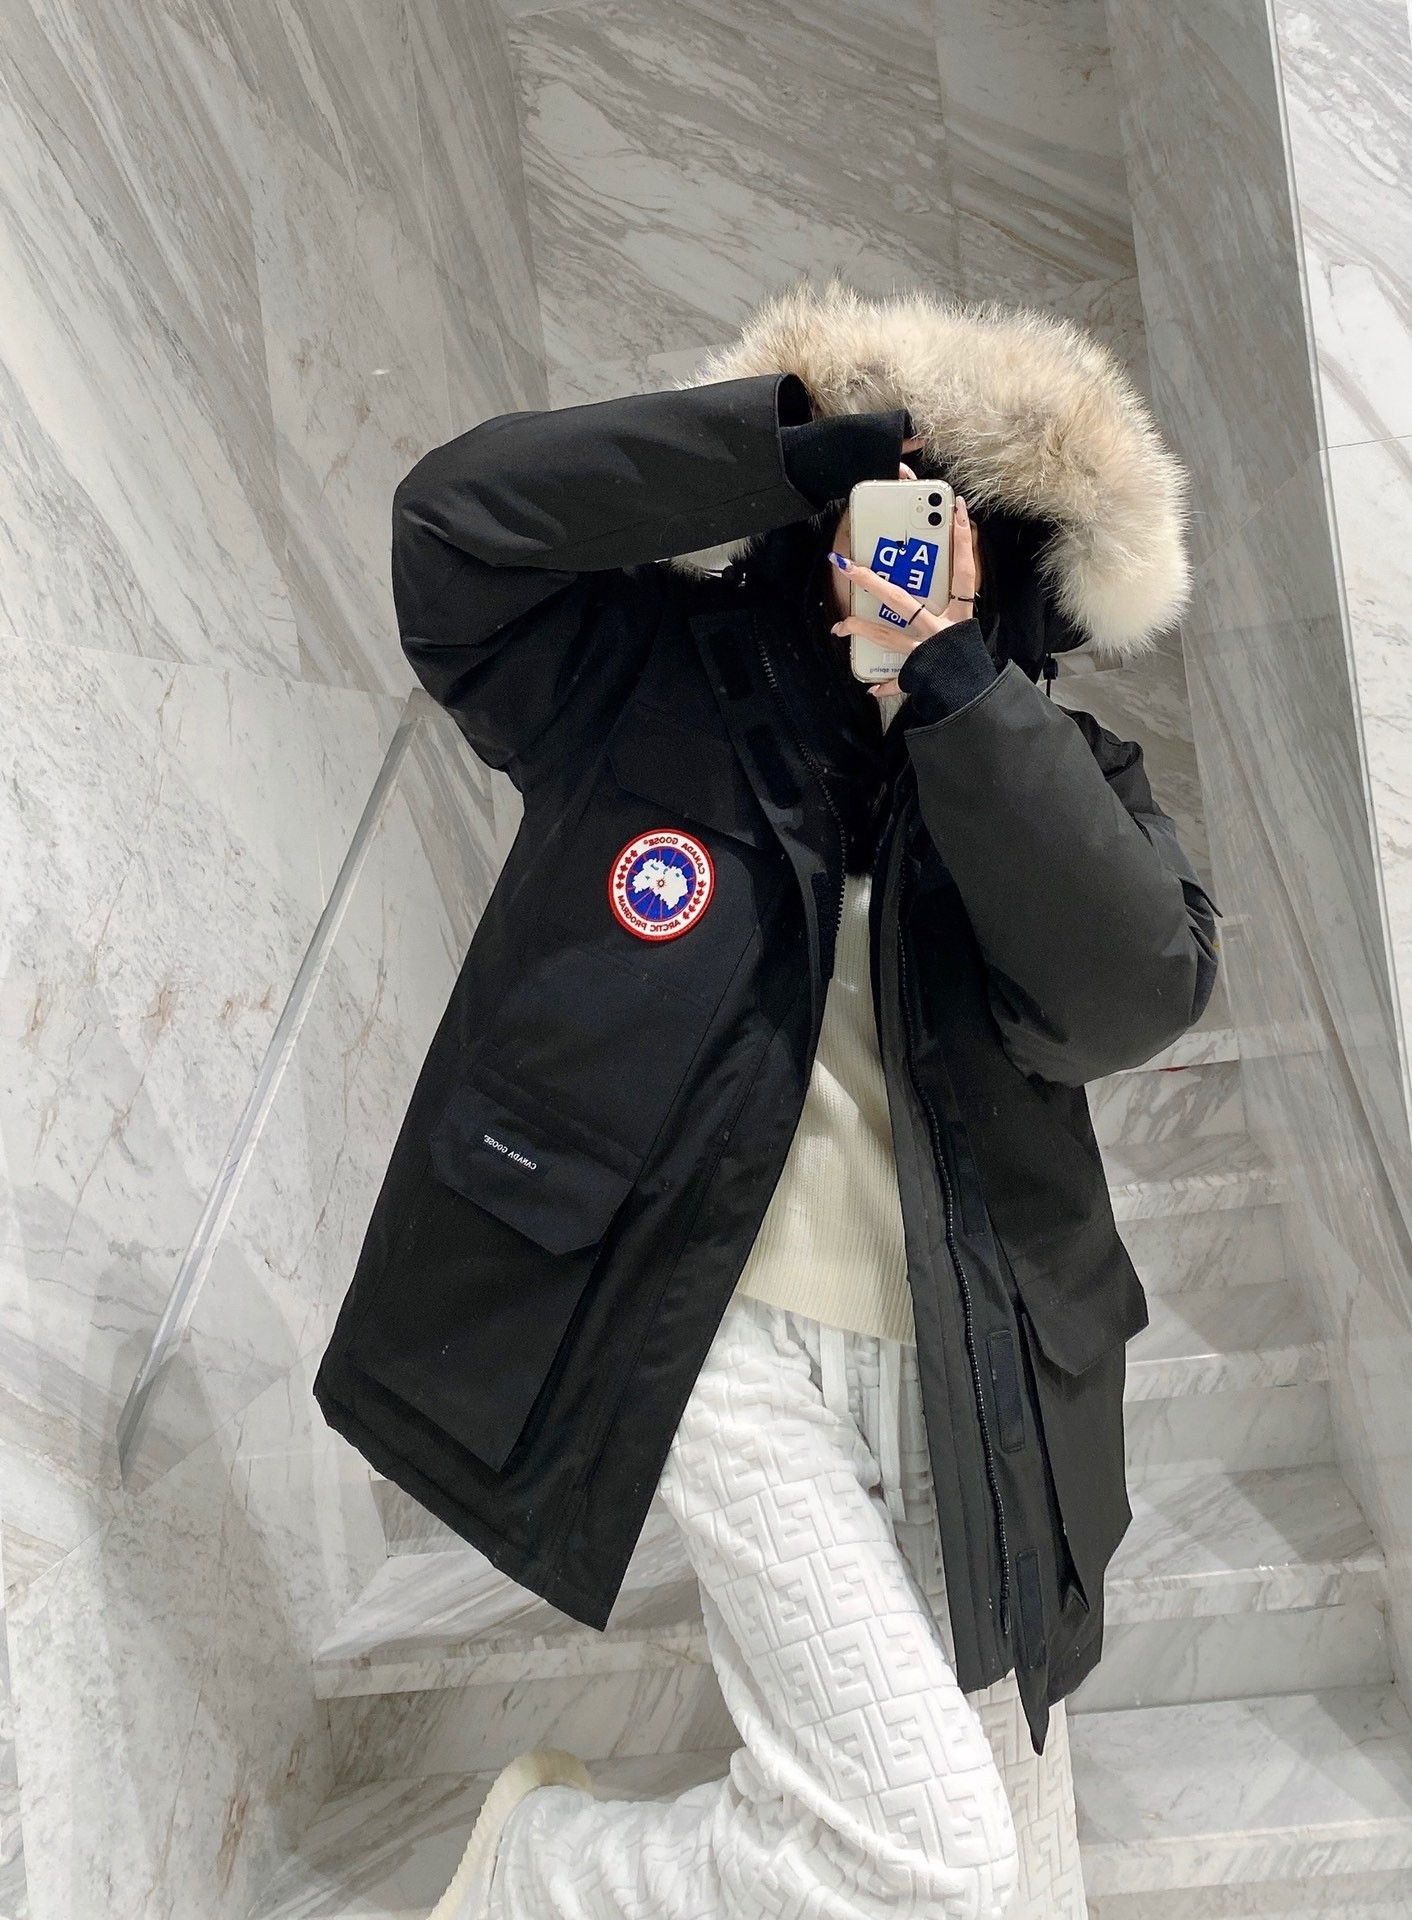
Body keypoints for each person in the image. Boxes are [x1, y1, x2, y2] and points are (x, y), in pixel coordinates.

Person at [312, 277, 1220, 1920]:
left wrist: (952, 685)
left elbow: (1130, 993)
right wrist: (798, 434)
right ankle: (538, 1871)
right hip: (709, 1329)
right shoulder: (640, 681)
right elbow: (450, 530)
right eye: (890, 507)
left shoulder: (1060, 774)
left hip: (968, 1349)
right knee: (937, 1862)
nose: (912, 546)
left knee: (983, 1860)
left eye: (964, 525)